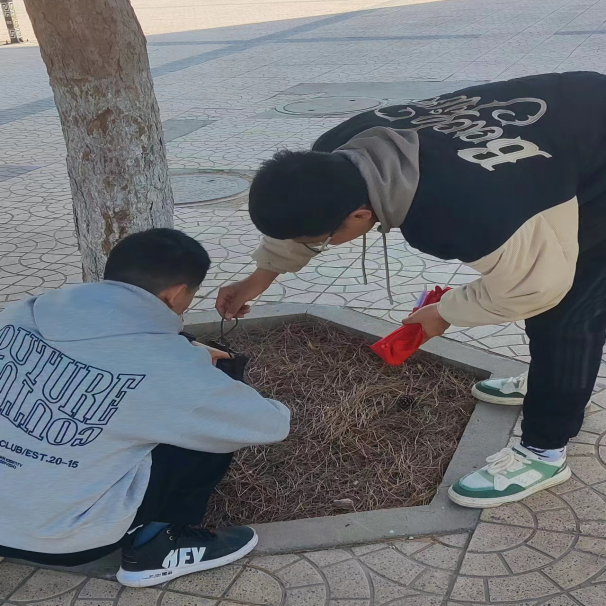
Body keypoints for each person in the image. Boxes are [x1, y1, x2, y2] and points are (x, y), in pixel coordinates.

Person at [216, 71, 606, 509]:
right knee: (557, 299)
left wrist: (444, 313)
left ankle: (544, 451)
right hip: (574, 117)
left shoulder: (460, 211)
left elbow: (534, 286)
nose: (321, 245)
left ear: (360, 216)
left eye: (323, 241)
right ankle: (550, 380)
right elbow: (305, 216)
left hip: (592, 150)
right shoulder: (338, 150)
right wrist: (259, 278)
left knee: (568, 314)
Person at [0, 229, 290, 587]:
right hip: (62, 540)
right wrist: (205, 374)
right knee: (212, 428)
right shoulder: (168, 369)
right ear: (176, 293)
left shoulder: (18, 313)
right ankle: (156, 546)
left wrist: (190, 351)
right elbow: (269, 424)